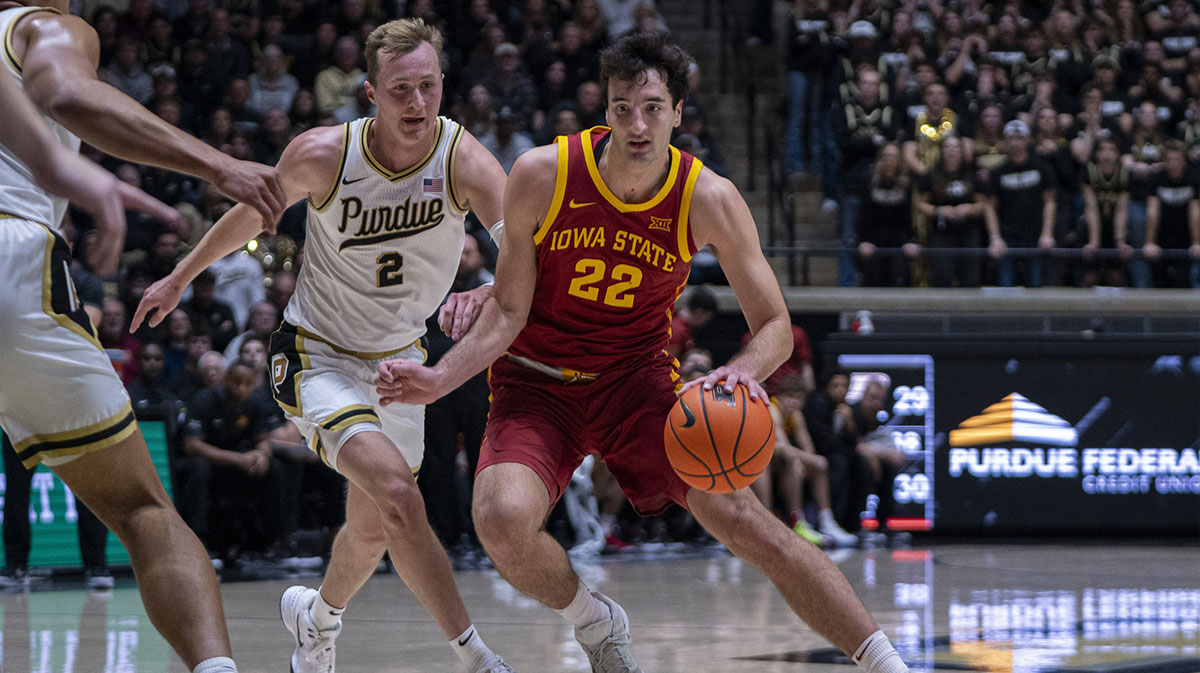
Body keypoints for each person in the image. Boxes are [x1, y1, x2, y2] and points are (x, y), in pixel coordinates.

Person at [378, 34, 911, 673]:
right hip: (536, 383)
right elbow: (510, 311)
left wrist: (737, 374)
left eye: (653, 108)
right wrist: (439, 378)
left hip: (636, 383)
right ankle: (594, 619)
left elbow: (774, 325)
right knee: (499, 521)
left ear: (678, 113)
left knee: (743, 518)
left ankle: (887, 664)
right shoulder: (542, 174)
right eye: (623, 107)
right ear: (605, 109)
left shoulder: (708, 198)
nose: (637, 124)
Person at [132, 18, 516, 673]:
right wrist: (179, 275)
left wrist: (489, 288)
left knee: (370, 529)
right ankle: (477, 658)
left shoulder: (462, 157)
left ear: (443, 83)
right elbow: (252, 215)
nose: (417, 102)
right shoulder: (324, 155)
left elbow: (528, 256)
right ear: (370, 92)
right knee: (399, 496)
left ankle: (317, 621)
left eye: (428, 86)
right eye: (401, 89)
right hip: (317, 356)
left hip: (401, 362)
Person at [0, 0, 286, 666]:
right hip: (11, 261)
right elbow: (68, 94)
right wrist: (219, 165)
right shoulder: (42, 24)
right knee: (142, 509)